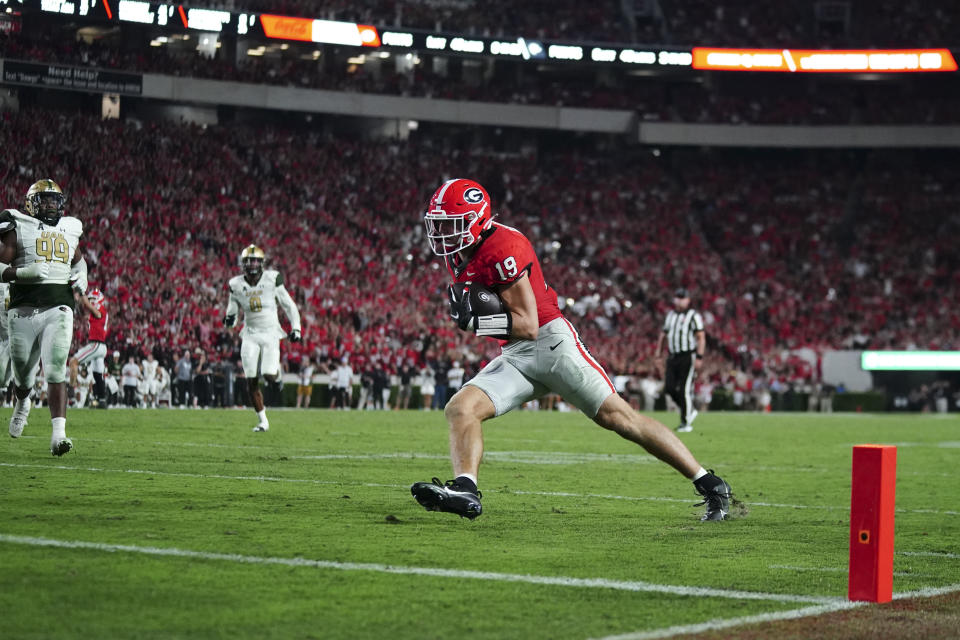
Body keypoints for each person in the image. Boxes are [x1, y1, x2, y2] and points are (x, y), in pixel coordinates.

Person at [411, 179, 733, 521]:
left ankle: (710, 484)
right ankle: (465, 490)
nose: (443, 232)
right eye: (439, 223)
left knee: (622, 420)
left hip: (551, 344)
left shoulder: (504, 246)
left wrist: (476, 323)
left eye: (451, 224)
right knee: (460, 409)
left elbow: (528, 324)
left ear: (478, 220)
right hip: (517, 355)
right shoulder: (460, 253)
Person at [0, 179, 90, 455]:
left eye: (55, 200)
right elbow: (1, 266)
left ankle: (58, 435)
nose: (51, 205)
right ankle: (23, 402)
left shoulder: (70, 227)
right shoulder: (17, 225)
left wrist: (83, 273)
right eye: (46, 200)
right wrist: (23, 273)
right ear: (32, 203)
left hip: (58, 306)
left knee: (55, 368)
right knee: (24, 378)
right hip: (23, 309)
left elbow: (78, 259)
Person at [224, 244, 302, 431]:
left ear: (261, 262)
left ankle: (277, 377)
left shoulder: (272, 279)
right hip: (250, 333)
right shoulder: (235, 284)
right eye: (249, 260)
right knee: (250, 379)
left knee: (268, 372)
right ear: (243, 263)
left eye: (255, 260)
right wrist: (229, 321)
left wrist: (296, 328)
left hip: (270, 333)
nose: (252, 263)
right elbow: (232, 313)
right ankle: (263, 421)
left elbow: (289, 305)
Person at [654, 288, 706, 432]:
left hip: (687, 355)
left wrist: (699, 356)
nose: (680, 300)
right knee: (669, 388)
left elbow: (701, 337)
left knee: (684, 389)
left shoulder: (693, 315)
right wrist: (658, 353)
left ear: (688, 300)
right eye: (678, 297)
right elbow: (663, 335)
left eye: (683, 298)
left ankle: (685, 423)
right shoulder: (670, 315)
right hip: (672, 356)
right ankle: (689, 411)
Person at [72, 287, 108, 407]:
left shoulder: (100, 309)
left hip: (96, 344)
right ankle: (102, 401)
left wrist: (82, 294)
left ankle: (71, 395)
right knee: (97, 374)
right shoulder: (100, 310)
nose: (91, 300)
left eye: (93, 298)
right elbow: (88, 312)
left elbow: (91, 308)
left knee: (73, 362)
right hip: (101, 346)